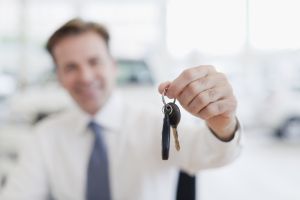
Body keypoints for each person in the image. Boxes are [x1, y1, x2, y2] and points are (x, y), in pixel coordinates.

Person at [0, 18, 241, 200]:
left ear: (113, 66)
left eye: (94, 62)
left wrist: (222, 123)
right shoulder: (44, 137)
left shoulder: (156, 123)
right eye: (71, 67)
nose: (85, 76)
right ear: (59, 77)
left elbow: (214, 153)